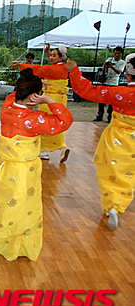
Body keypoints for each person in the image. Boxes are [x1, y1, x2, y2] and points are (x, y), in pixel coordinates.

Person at [0, 68, 73, 261]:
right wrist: (49, 100)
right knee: (23, 205)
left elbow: (11, 96)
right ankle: (18, 241)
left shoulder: (7, 107)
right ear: (35, 96)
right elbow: (65, 121)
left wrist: (34, 92)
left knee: (2, 202)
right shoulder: (34, 120)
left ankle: (0, 234)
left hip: (4, 167)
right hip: (24, 170)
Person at [66, 54, 135, 228]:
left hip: (119, 138)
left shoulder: (119, 93)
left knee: (114, 172)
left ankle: (114, 205)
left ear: (127, 72)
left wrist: (74, 71)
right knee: (129, 174)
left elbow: (87, 90)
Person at [11, 45, 70, 163]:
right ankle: (56, 148)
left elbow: (38, 69)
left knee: (45, 122)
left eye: (54, 55)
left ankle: (48, 150)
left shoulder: (54, 69)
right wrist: (48, 51)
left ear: (61, 57)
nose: (51, 57)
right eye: (50, 55)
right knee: (58, 122)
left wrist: (20, 65)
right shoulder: (63, 67)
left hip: (50, 98)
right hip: (60, 99)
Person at [94, 46, 126, 123]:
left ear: (121, 54)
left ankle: (110, 117)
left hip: (114, 83)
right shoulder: (109, 59)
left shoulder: (122, 62)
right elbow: (103, 69)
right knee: (101, 100)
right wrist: (105, 66)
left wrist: (112, 67)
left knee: (111, 101)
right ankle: (100, 115)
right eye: (115, 53)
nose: (116, 55)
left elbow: (119, 72)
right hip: (106, 82)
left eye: (118, 53)